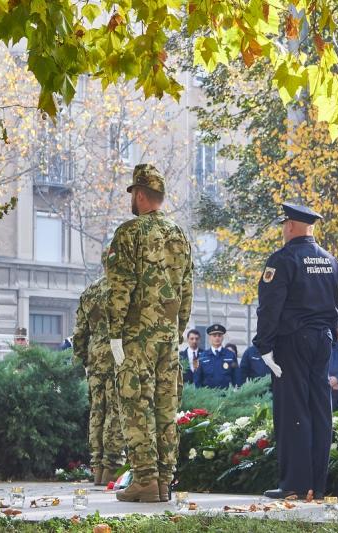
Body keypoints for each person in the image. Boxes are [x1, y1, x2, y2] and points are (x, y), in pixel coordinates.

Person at [107, 164, 193, 503]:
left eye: (133, 194)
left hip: (136, 337)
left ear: (140, 195)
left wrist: (115, 336)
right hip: (168, 340)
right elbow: (186, 289)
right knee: (165, 407)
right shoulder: (180, 236)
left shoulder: (129, 233)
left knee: (135, 405)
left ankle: (144, 479)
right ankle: (163, 480)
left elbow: (119, 289)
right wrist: (178, 329)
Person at [253, 203, 338, 502]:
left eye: (284, 225)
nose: (282, 230)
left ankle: (293, 483)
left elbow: (270, 307)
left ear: (290, 225)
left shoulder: (283, 259)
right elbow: (335, 308)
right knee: (320, 411)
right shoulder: (331, 261)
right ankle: (316, 485)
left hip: (292, 341)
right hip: (323, 340)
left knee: (293, 410)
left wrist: (263, 345)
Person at [72, 265, 123, 487]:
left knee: (97, 410)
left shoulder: (90, 290)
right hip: (118, 353)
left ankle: (97, 466)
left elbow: (79, 332)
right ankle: (111, 466)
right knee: (116, 408)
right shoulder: (123, 288)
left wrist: (84, 357)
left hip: (95, 353)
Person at [193, 324, 239, 389]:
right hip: (208, 396)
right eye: (214, 336)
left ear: (222, 338)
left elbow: (236, 376)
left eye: (219, 336)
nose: (217, 338)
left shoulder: (231, 355)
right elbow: (197, 379)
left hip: (227, 396)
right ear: (210, 338)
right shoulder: (201, 357)